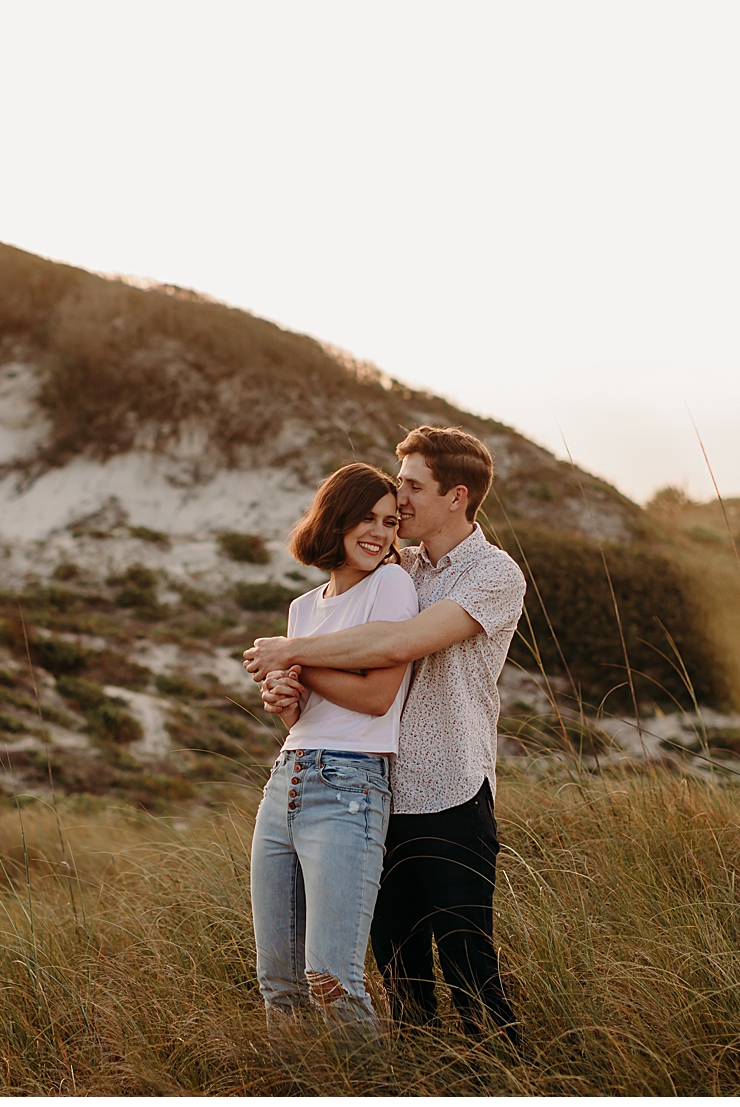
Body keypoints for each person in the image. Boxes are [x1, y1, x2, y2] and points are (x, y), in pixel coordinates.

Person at [247, 426, 526, 1041]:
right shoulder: (395, 564)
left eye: (411, 485)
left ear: (455, 496)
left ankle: (508, 1079)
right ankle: (421, 1080)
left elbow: (398, 645)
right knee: (402, 978)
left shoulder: (493, 574)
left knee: (469, 967)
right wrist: (289, 685)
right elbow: (346, 639)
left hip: (450, 789)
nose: (399, 498)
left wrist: (292, 655)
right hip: (377, 792)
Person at [248, 462, 419, 1037]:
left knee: (332, 978)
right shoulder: (303, 609)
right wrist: (284, 695)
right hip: (286, 781)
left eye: (391, 522)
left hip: (350, 787)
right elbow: (307, 715)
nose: (379, 533)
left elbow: (375, 697)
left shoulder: (391, 585)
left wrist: (296, 661)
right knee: (279, 983)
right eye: (366, 518)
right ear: (336, 520)